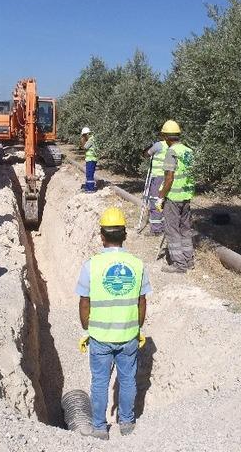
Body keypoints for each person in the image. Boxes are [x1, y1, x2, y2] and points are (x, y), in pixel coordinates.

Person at [75, 207, 150, 439]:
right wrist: (136, 328)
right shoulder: (137, 265)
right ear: (124, 235)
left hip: (100, 336)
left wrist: (88, 327)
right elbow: (142, 301)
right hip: (128, 335)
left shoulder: (91, 265)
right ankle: (126, 424)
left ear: (102, 236)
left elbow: (84, 302)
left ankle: (99, 427)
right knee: (128, 379)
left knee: (100, 381)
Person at [155, 120, 195, 273]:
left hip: (173, 197)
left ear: (166, 136)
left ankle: (179, 264)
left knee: (172, 230)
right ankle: (188, 259)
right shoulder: (188, 151)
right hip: (186, 196)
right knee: (185, 229)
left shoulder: (171, 152)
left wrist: (160, 196)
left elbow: (169, 178)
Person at [141, 133, 168, 235]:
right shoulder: (173, 145)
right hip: (169, 177)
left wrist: (150, 146)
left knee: (155, 201)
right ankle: (165, 226)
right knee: (165, 202)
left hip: (158, 178)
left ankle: (156, 229)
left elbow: (146, 154)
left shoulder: (158, 145)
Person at [81, 126, 97, 193]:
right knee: (88, 174)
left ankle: (91, 189)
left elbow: (85, 147)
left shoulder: (91, 140)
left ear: (87, 134)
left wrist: (82, 140)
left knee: (90, 174)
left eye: (84, 135)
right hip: (89, 159)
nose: (83, 136)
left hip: (91, 159)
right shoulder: (91, 139)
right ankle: (88, 187)